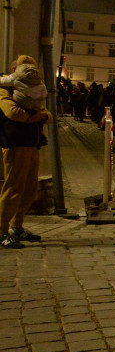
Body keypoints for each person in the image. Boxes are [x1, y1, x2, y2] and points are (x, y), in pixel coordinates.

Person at [0, 58, 50, 248]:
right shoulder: (4, 89)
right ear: (14, 69)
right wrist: (37, 116)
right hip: (15, 144)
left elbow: (48, 115)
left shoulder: (33, 88)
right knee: (13, 190)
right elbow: (12, 112)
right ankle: (1, 231)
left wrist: (40, 115)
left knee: (29, 189)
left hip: (32, 144)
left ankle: (17, 227)